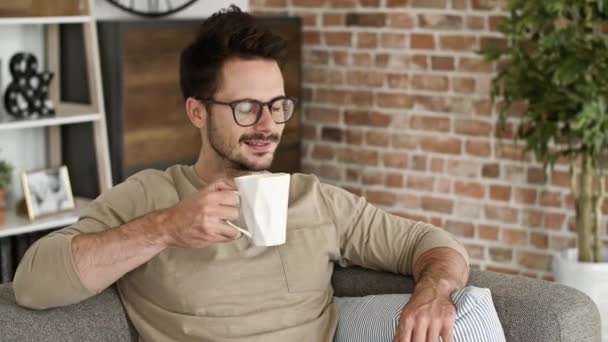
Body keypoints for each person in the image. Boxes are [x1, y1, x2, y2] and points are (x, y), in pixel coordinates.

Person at [13, 6, 505, 342]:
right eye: (247, 107)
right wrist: (166, 229)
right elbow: (34, 284)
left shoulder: (313, 199)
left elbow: (431, 242)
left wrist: (434, 292)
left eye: (277, 105)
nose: (269, 124)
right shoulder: (149, 197)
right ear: (197, 112)